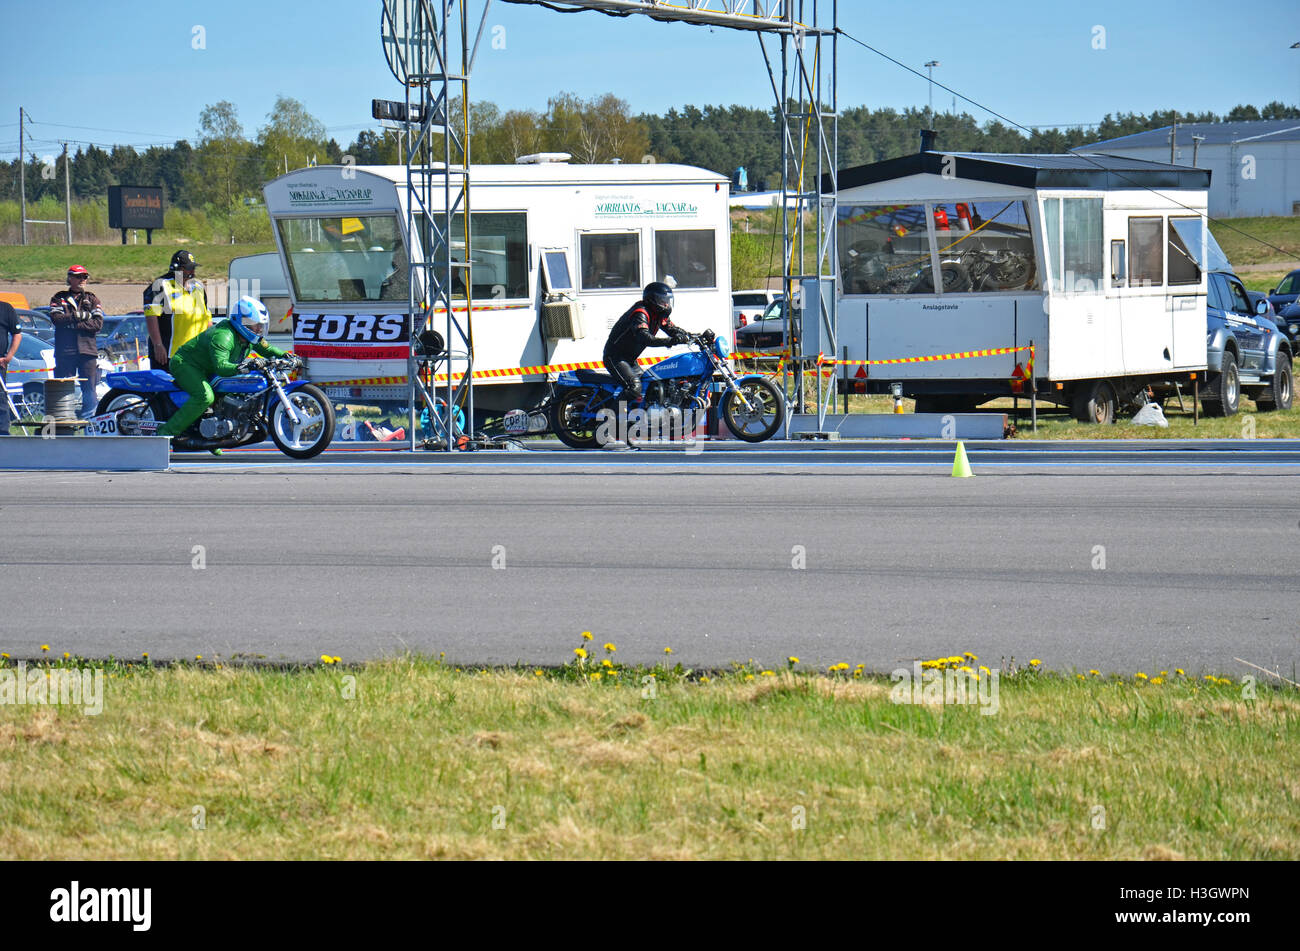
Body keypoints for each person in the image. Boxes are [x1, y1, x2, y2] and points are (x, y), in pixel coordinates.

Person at [157, 296, 299, 442]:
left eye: (260, 324)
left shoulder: (251, 337)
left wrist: (287, 356)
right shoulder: (223, 336)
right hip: (187, 364)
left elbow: (268, 349)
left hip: (207, 368)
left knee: (229, 396)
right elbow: (221, 367)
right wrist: (247, 366)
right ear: (240, 321)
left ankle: (214, 434)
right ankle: (165, 433)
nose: (258, 328)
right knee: (205, 397)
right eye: (254, 324)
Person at [602, 282, 688, 405]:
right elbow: (644, 337)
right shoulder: (640, 313)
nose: (666, 304)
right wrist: (670, 341)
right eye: (662, 300)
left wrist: (694, 336)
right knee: (634, 388)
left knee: (650, 385)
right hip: (615, 358)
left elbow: (673, 330)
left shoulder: (659, 315)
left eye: (668, 300)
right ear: (651, 299)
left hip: (630, 360)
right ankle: (613, 417)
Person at [48, 265, 105, 419]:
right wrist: (79, 316)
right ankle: (64, 420)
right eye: (79, 276)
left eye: (85, 277)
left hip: (88, 351)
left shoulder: (92, 299)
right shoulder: (58, 298)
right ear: (70, 278)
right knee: (64, 387)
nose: (82, 280)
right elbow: (56, 320)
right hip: (65, 351)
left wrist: (73, 324)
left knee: (89, 388)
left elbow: (98, 324)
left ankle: (90, 421)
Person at [143, 249, 211, 370]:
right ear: (176, 268)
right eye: (188, 268)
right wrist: (158, 345)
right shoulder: (161, 285)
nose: (192, 272)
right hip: (169, 354)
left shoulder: (199, 287)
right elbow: (151, 317)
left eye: (193, 268)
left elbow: (206, 319)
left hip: (195, 355)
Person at [0, 299, 20, 434]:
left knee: (1, 398)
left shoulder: (6, 308)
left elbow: (17, 334)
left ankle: (3, 433)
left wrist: (8, 357)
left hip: (0, 362)